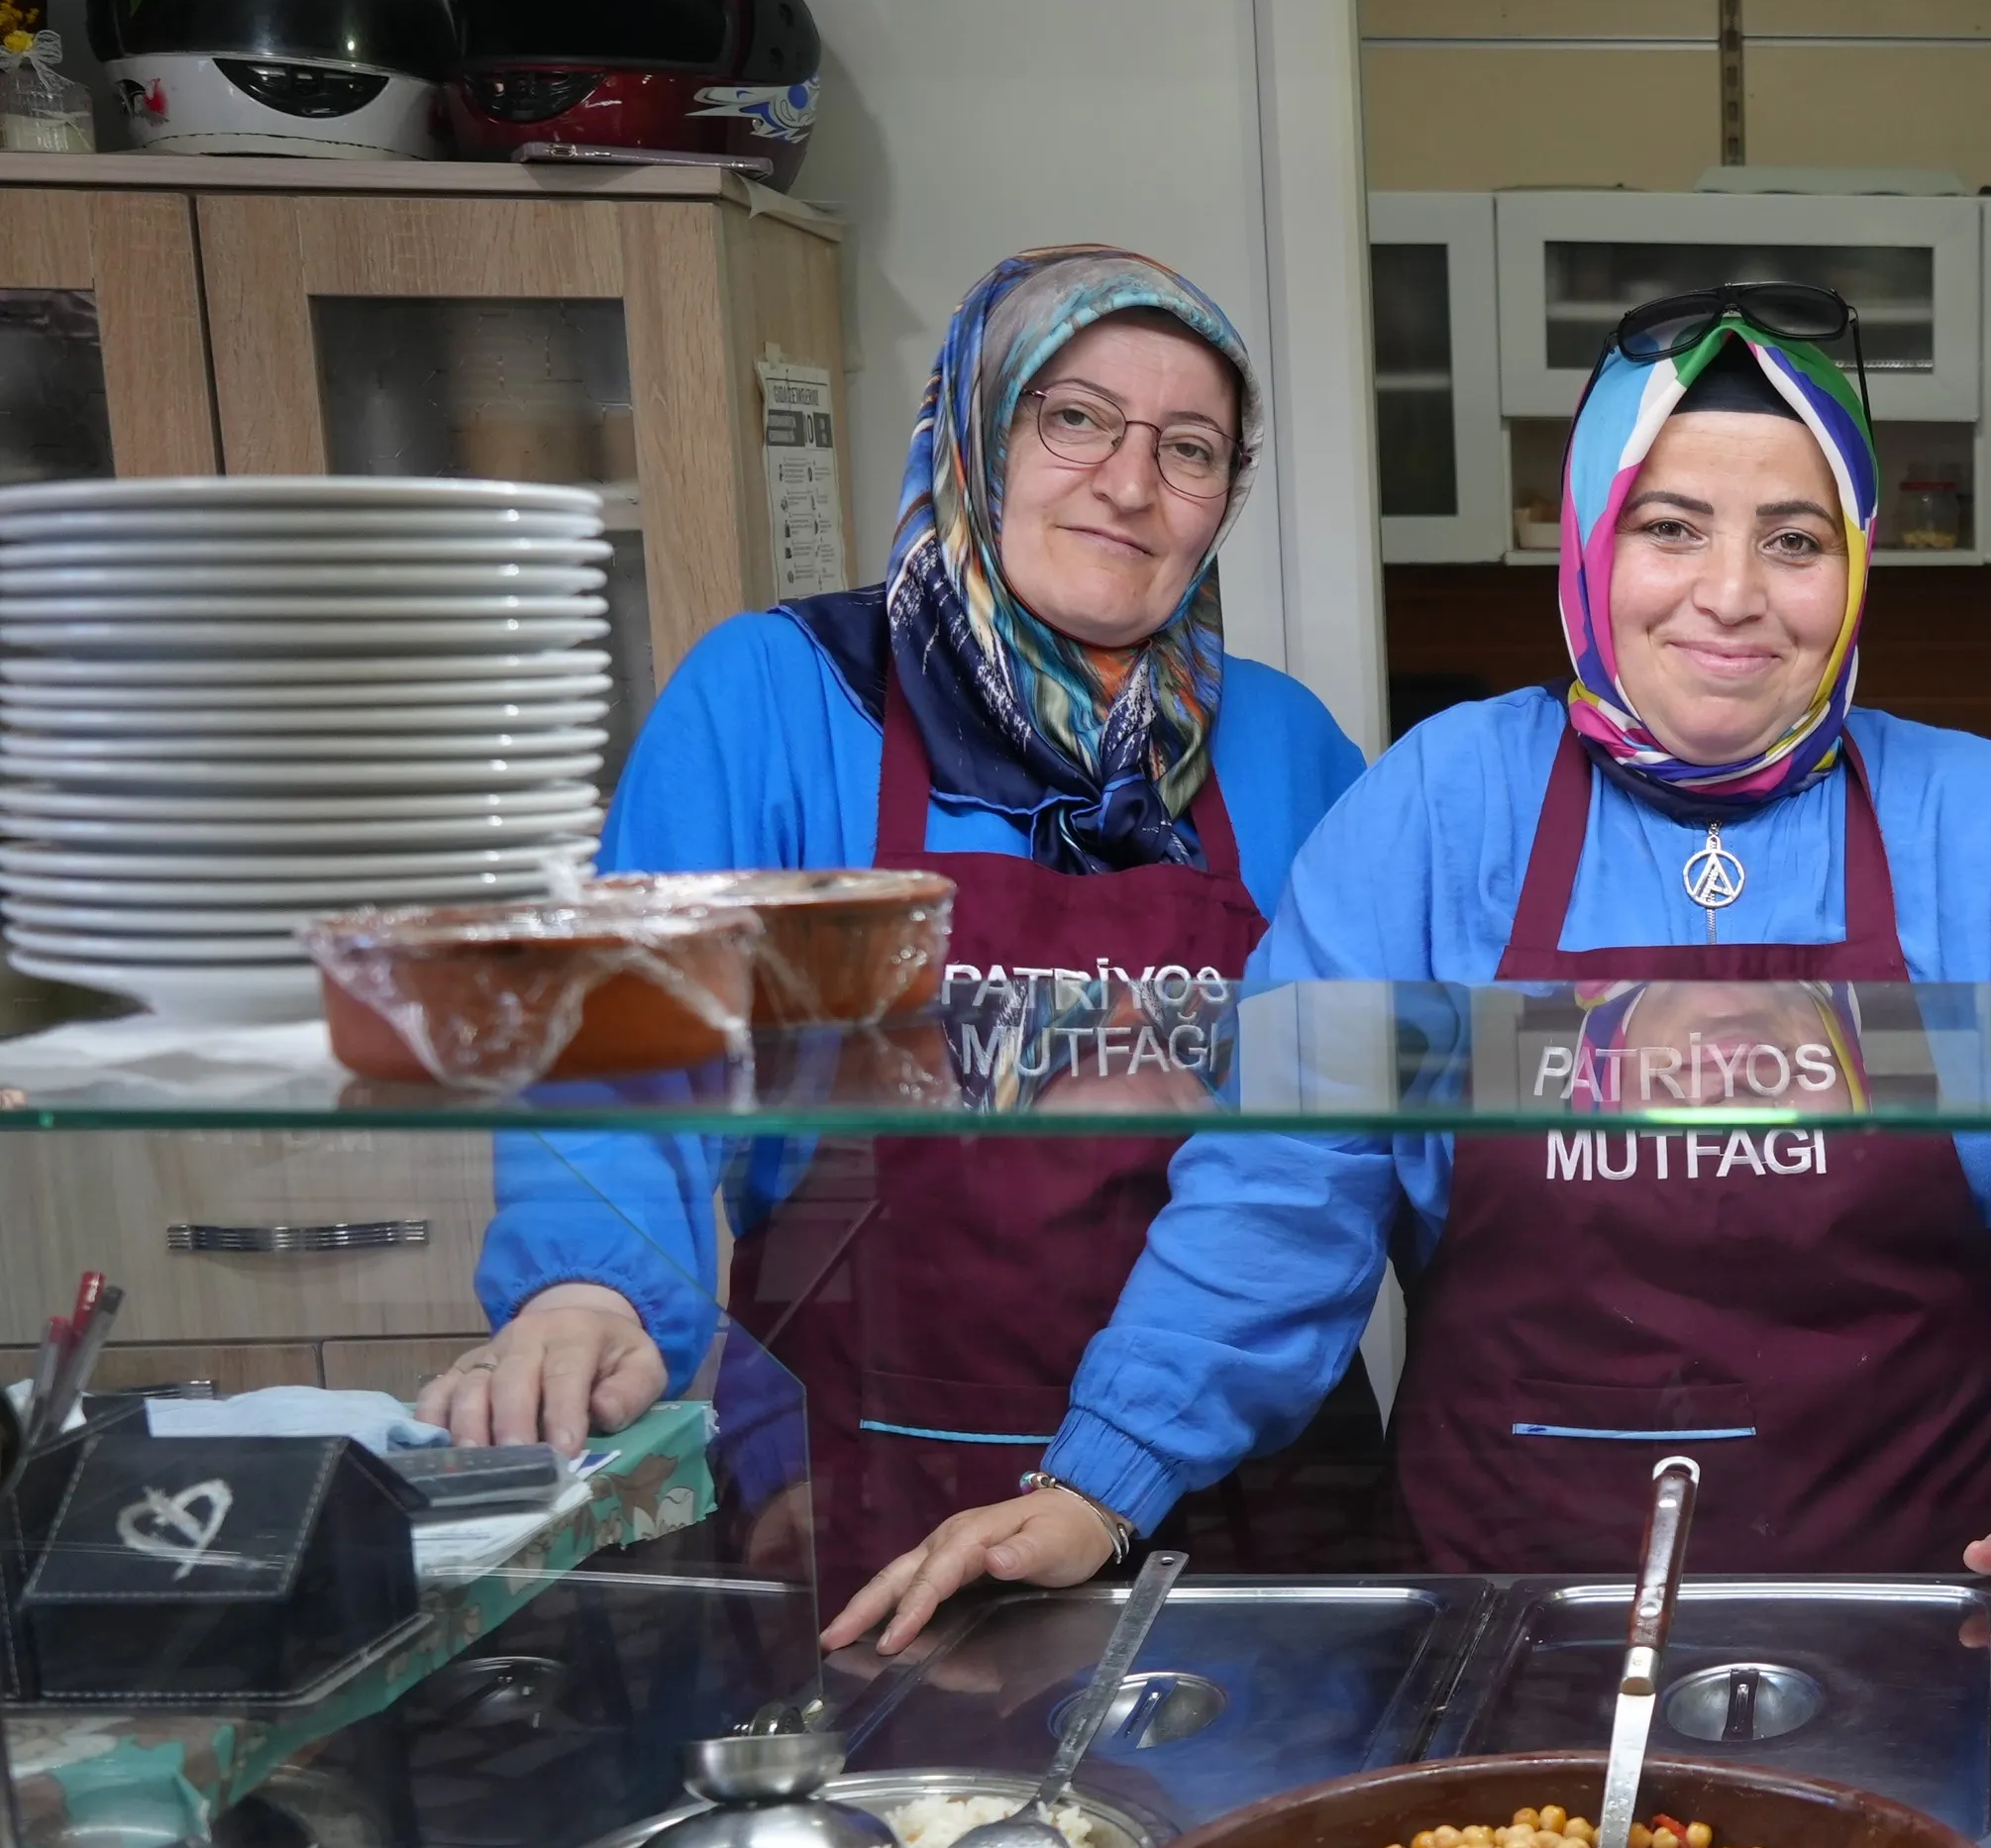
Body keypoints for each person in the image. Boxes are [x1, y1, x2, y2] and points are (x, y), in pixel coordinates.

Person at [826, 283, 1991, 1648]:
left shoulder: (1984, 824)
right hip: (1509, 1604)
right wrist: (1102, 1477)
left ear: (1860, 562)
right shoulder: (1444, 804)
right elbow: (1286, 1185)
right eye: (1671, 528)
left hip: (1928, 1596)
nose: (1733, 597)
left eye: (1796, 542)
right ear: (1590, 544)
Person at [419, 245, 1373, 1583]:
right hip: (867, 1471)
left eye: (1193, 449)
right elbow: (625, 1041)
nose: (1131, 483)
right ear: (976, 428)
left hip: (1237, 1484)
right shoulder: (778, 698)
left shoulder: (1288, 751)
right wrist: (591, 1282)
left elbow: (1342, 1142)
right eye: (1076, 416)